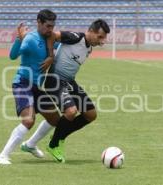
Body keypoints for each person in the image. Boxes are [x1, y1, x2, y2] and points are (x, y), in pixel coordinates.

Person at [25, 19, 110, 163]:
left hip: (69, 82)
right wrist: (51, 57)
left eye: (104, 38)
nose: (102, 41)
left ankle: (60, 137)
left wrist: (98, 41)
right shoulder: (75, 37)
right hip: (54, 80)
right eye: (100, 37)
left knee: (90, 114)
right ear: (90, 31)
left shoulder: (89, 47)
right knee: (71, 111)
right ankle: (54, 144)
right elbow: (52, 35)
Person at [0, 9, 60, 165]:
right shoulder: (31, 39)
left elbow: (63, 43)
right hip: (23, 83)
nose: (50, 29)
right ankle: (2, 156)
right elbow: (13, 56)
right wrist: (19, 38)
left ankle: (30, 145)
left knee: (55, 118)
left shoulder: (51, 38)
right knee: (29, 121)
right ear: (38, 22)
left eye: (52, 26)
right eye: (47, 26)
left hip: (37, 87)